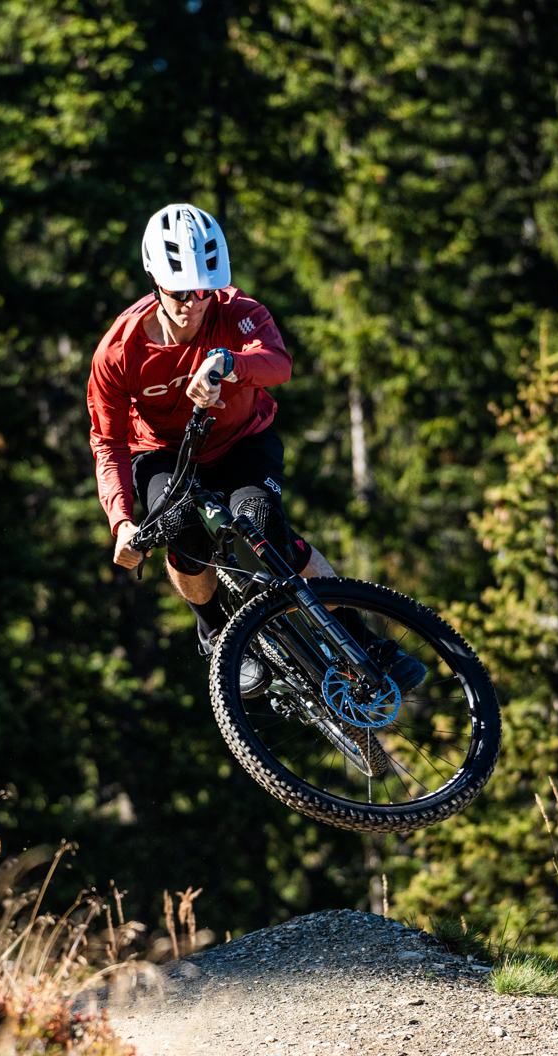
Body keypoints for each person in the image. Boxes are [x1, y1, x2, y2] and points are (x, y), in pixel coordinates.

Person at [87, 204, 423, 696]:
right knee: (182, 531)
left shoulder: (238, 313)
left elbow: (278, 364)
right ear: (156, 282)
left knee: (265, 524)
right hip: (164, 454)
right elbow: (108, 440)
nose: (192, 304)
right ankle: (216, 632)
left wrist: (226, 362)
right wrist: (120, 521)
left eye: (203, 290)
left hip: (242, 440)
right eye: (179, 292)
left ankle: (363, 643)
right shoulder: (119, 350)